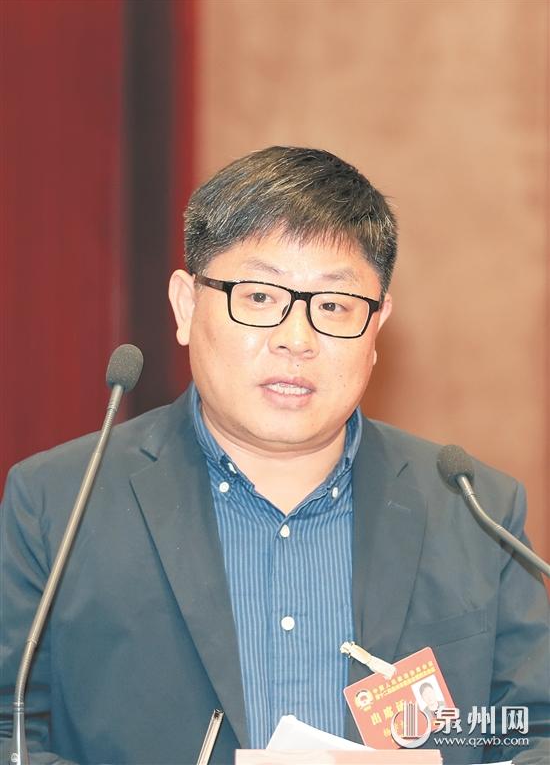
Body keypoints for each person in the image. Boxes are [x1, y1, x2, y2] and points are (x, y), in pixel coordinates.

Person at [1, 146, 548, 765]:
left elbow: (536, 731)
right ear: (186, 306)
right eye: (259, 297)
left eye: (333, 306)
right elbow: (9, 732)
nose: (296, 339)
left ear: (377, 326)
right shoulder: (58, 503)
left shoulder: (475, 511)